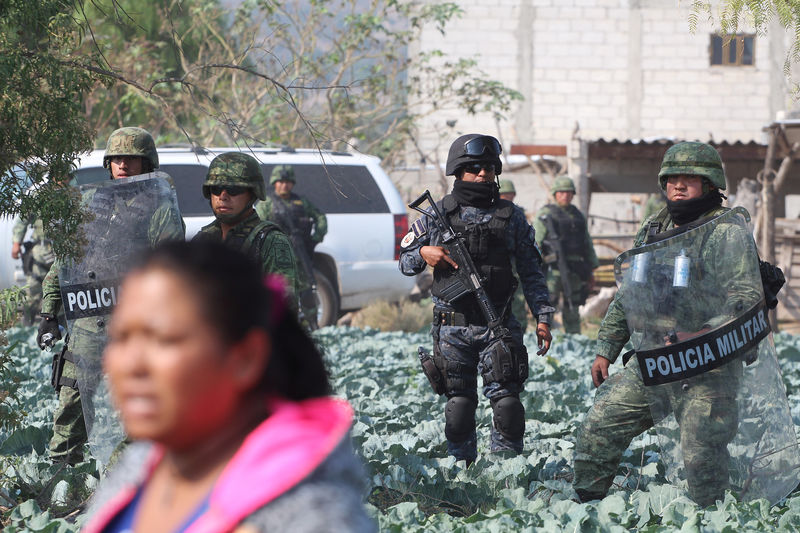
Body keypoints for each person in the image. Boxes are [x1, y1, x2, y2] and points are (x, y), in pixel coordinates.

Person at [82, 240, 374, 533]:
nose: (131, 365)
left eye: (163, 339)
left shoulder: (313, 519)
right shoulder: (137, 469)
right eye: (119, 337)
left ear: (246, 358)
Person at [572, 141, 755, 506]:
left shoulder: (727, 230)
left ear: (709, 182)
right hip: (655, 358)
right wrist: (606, 348)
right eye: (672, 177)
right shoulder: (655, 225)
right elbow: (630, 292)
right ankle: (584, 508)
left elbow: (746, 301)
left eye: (690, 177)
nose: (678, 185)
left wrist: (702, 334)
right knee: (599, 426)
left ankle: (709, 520)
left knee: (701, 457)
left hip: (708, 364)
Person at [399, 133, 554, 463]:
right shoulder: (437, 214)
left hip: (499, 324)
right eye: (474, 168)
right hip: (452, 328)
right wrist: (424, 253)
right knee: (459, 408)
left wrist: (543, 316)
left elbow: (531, 272)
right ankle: (462, 478)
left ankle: (504, 479)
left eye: (488, 168)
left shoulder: (512, 217)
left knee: (508, 407)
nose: (483, 174)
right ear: (458, 172)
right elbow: (405, 263)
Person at [36, 127, 185, 464]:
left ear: (146, 163)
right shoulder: (91, 202)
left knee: (138, 410)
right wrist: (48, 315)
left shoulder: (160, 208)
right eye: (116, 158)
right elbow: (65, 262)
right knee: (70, 406)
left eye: (131, 158)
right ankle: (62, 483)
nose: (122, 165)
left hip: (132, 324)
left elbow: (169, 267)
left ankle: (134, 481)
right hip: (87, 320)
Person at [193, 153, 302, 315]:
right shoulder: (203, 239)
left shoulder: (269, 241)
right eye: (216, 189)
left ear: (252, 193)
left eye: (233, 189)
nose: (223, 196)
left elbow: (284, 306)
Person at [255, 165, 327, 326]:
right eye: (280, 181)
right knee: (279, 294)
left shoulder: (301, 202)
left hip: (299, 255)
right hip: (276, 257)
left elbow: (320, 217)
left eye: (288, 182)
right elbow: (256, 226)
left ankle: (313, 326)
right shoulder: (266, 204)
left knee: (307, 292)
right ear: (274, 183)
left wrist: (315, 238)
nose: (284, 185)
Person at [534, 176, 599, 334]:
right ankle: (546, 337)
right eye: (562, 192)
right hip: (553, 269)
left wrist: (591, 269)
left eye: (569, 192)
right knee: (548, 305)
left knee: (573, 305)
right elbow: (536, 242)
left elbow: (586, 242)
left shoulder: (577, 215)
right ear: (555, 194)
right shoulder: (546, 214)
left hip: (576, 269)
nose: (565, 196)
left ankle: (573, 337)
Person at [10, 215, 54, 325]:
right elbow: (23, 217)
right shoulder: (39, 197)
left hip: (64, 248)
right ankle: (26, 326)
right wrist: (17, 242)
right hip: (42, 248)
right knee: (34, 289)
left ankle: (61, 330)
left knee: (61, 292)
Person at [498, 179, 528, 330]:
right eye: (504, 195)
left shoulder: (518, 214)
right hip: (497, 264)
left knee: (518, 300)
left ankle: (519, 329)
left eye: (510, 195)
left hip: (516, 264)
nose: (507, 198)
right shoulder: (490, 213)